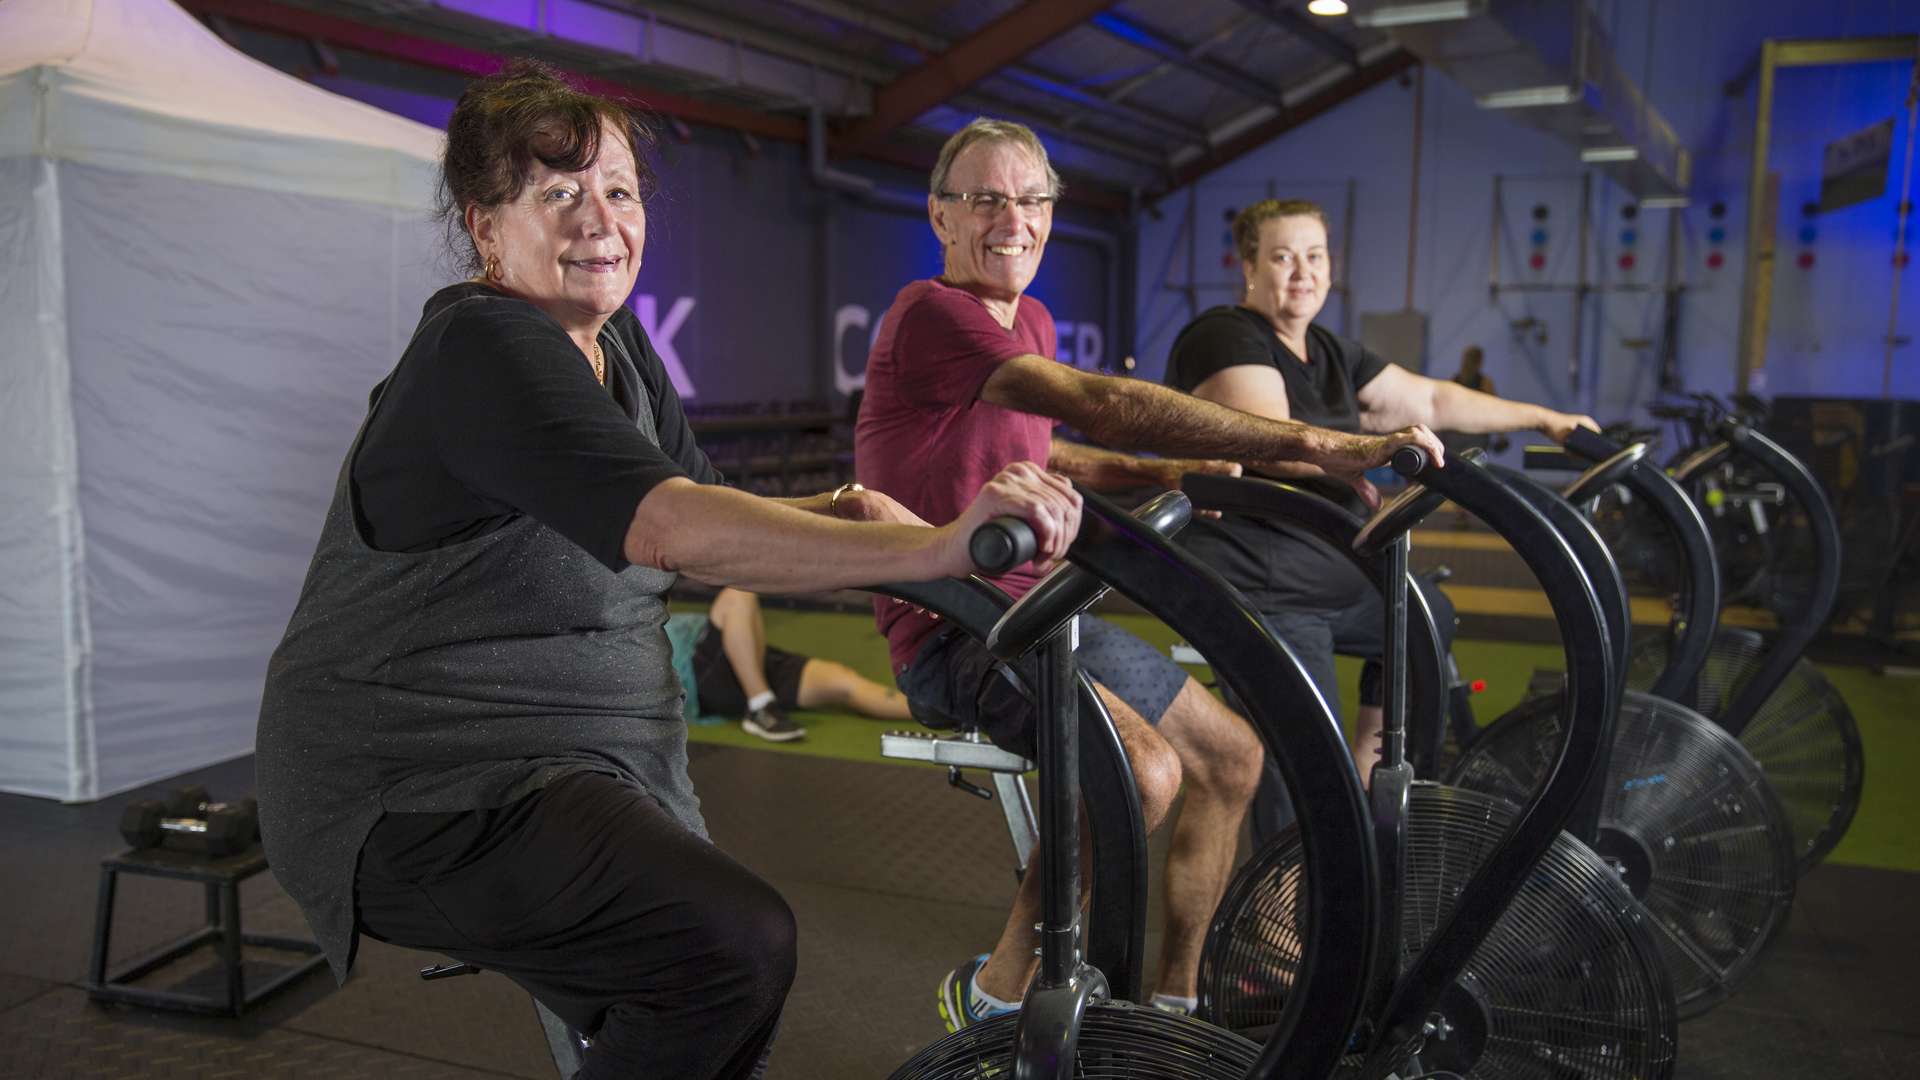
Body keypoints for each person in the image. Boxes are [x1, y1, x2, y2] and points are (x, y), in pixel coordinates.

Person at [254, 63, 1082, 1080]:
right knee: (729, 952)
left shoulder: (619, 348)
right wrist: (943, 546)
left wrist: (852, 509)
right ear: (485, 227)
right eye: (559, 193)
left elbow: (716, 510)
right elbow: (672, 529)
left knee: (703, 1002)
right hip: (423, 782)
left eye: (619, 190)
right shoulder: (482, 344)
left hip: (592, 753)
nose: (600, 219)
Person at [854, 118, 1444, 1027]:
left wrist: (1158, 473)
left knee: (1235, 756)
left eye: (1031, 199)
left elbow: (1046, 451)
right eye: (985, 199)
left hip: (1047, 614)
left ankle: (1175, 1005)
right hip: (957, 627)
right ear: (940, 215)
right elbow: (1101, 403)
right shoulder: (931, 314)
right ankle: (993, 995)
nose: (1013, 219)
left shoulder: (1030, 320)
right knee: (1140, 770)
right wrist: (1323, 445)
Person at [1163, 198, 1596, 845]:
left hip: (1336, 577)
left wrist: (1546, 419)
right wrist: (1365, 449)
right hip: (1265, 587)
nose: (1303, 272)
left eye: (1315, 256)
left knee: (1427, 618)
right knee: (1305, 763)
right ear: (1248, 267)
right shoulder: (1225, 336)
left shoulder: (1328, 351)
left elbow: (1432, 397)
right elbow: (1272, 437)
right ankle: (1287, 894)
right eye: (1282, 257)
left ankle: (1367, 790)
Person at [667, 587, 912, 742]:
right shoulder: (645, 629)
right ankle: (761, 707)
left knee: (841, 681)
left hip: (745, 657)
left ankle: (928, 710)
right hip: (701, 668)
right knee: (737, 594)